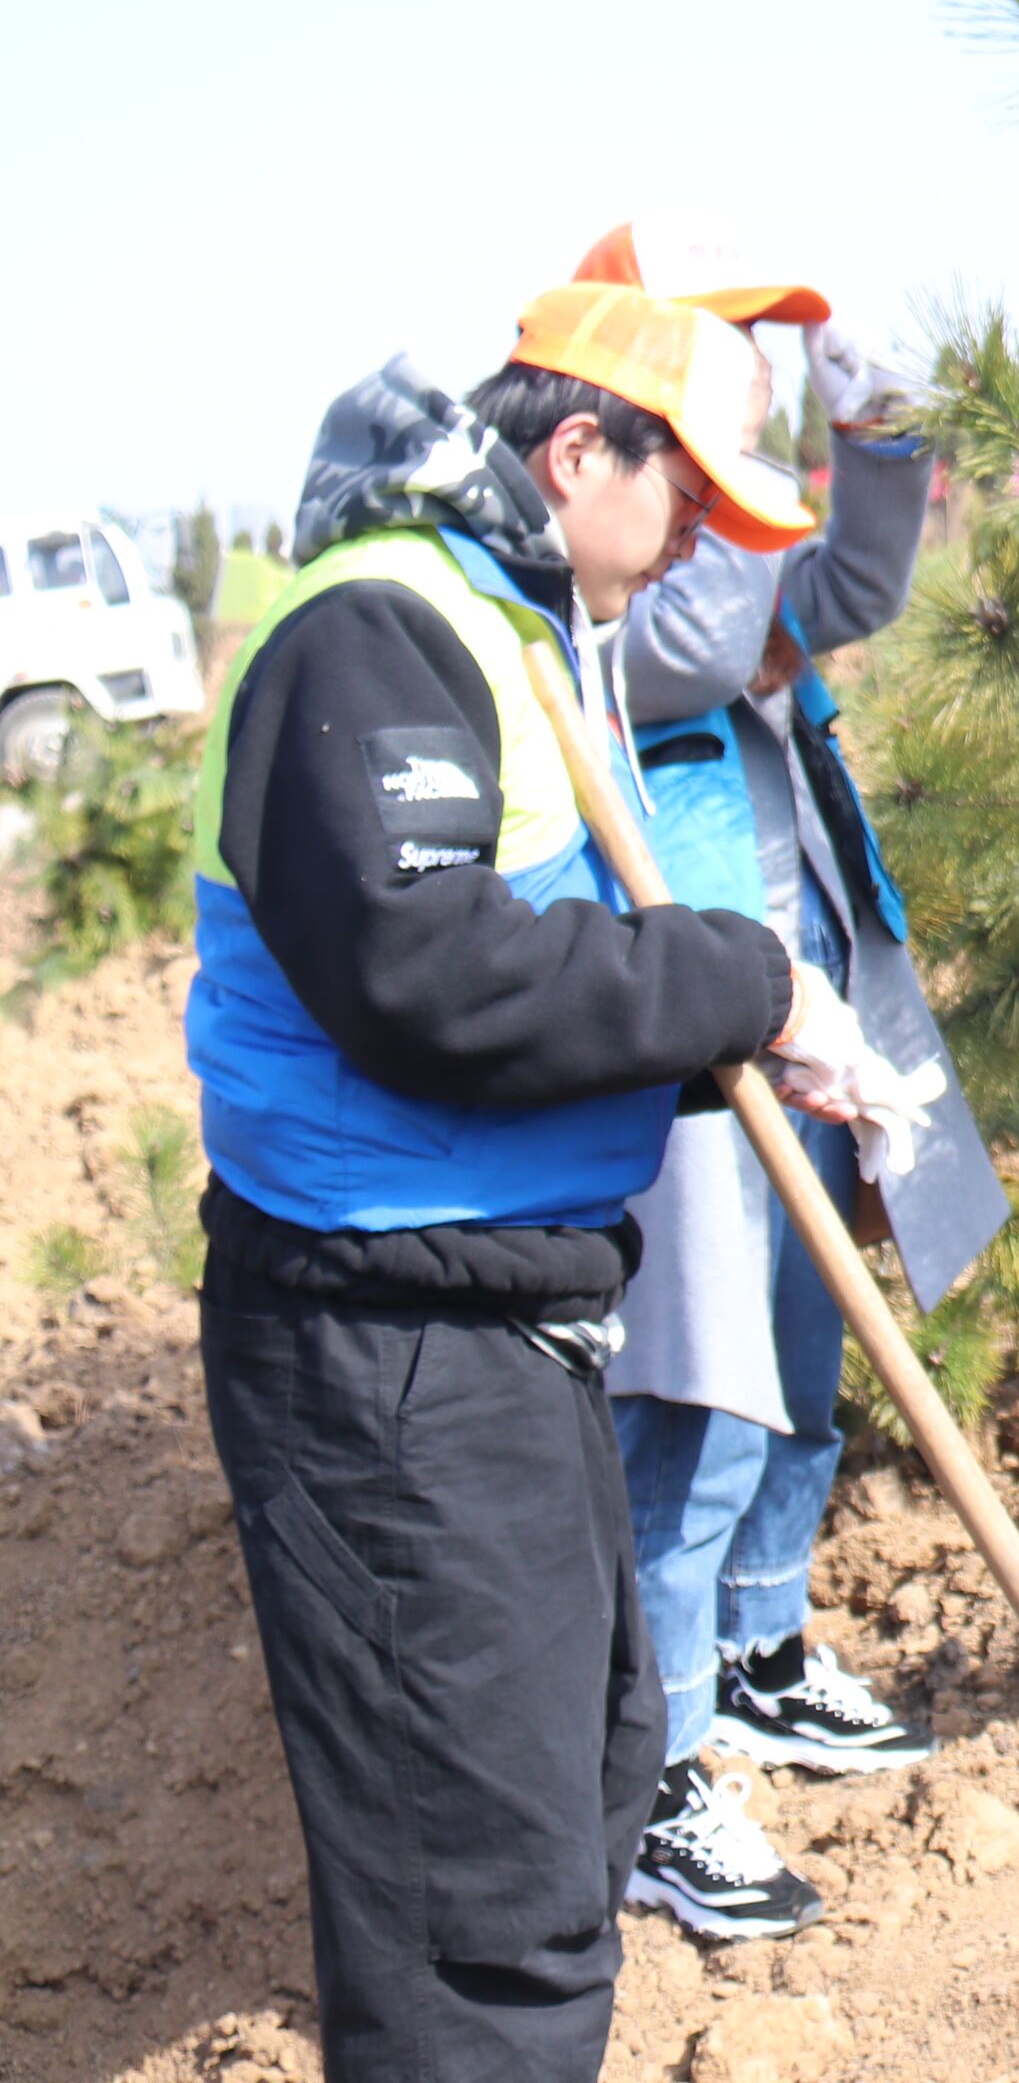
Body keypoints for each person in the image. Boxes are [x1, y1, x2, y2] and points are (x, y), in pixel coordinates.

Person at [186, 283, 901, 2079]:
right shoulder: (378, 630)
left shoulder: (513, 627)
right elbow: (427, 974)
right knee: (476, 1924)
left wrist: (736, 1050)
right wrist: (742, 980)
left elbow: (522, 976)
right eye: (692, 497)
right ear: (580, 450)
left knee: (574, 1802)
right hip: (384, 1344)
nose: (701, 545)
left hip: (495, 1319)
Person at [572, 228, 1008, 1939]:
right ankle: (663, 1767)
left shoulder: (717, 581)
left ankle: (760, 1649)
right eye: (710, 419)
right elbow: (730, 625)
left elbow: (851, 591)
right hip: (702, 1068)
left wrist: (876, 439)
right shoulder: (618, 612)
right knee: (698, 1406)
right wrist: (780, 468)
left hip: (812, 1036)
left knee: (804, 1360)